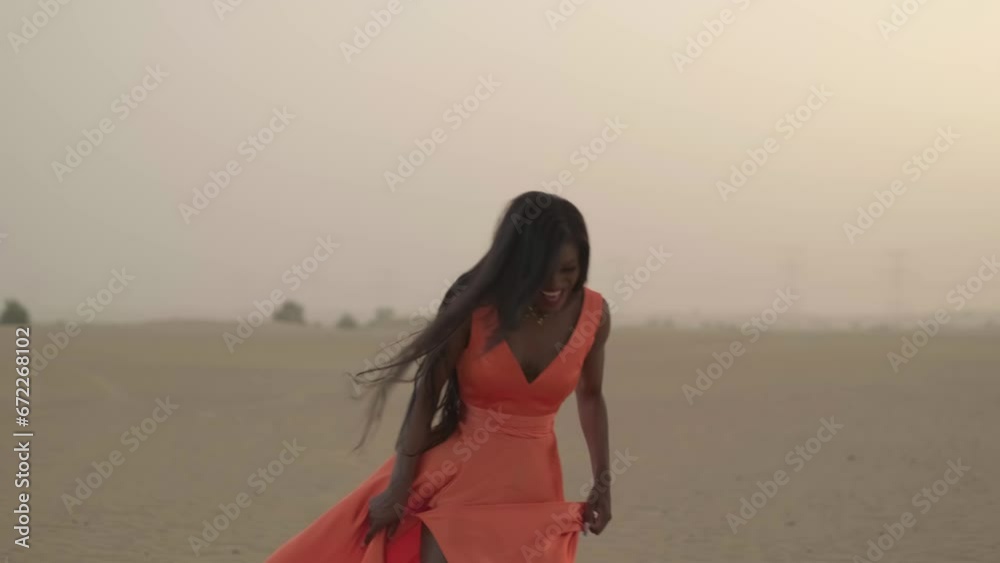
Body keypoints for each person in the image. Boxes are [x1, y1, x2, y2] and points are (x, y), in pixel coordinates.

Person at [266, 191, 612, 562]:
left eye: (568, 270)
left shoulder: (593, 314)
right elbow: (427, 392)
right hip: (458, 477)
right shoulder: (474, 306)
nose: (555, 284)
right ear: (517, 262)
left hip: (536, 490)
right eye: (543, 270)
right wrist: (399, 487)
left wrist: (603, 483)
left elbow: (591, 396)